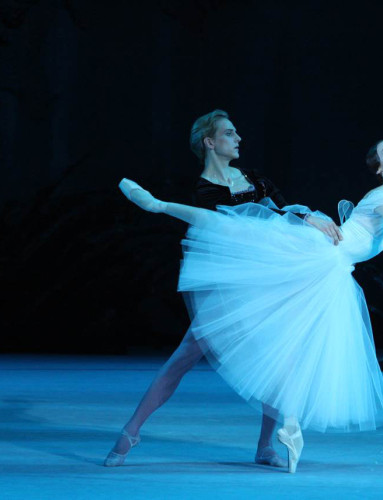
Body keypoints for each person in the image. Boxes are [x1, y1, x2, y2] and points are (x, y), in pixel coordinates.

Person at [118, 138, 383, 473]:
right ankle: (158, 205)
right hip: (316, 254)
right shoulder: (377, 198)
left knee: (292, 351)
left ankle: (284, 430)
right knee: (239, 227)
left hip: (332, 271)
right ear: (377, 167)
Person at [104, 110, 341, 469]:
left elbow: (277, 214)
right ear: (209, 142)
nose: (239, 139)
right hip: (225, 283)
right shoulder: (202, 190)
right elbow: (225, 225)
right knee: (186, 354)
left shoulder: (255, 179)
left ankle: (266, 447)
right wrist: (158, 205)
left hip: (262, 278)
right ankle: (131, 431)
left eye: (237, 133)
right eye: (230, 134)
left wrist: (306, 216)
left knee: (278, 359)